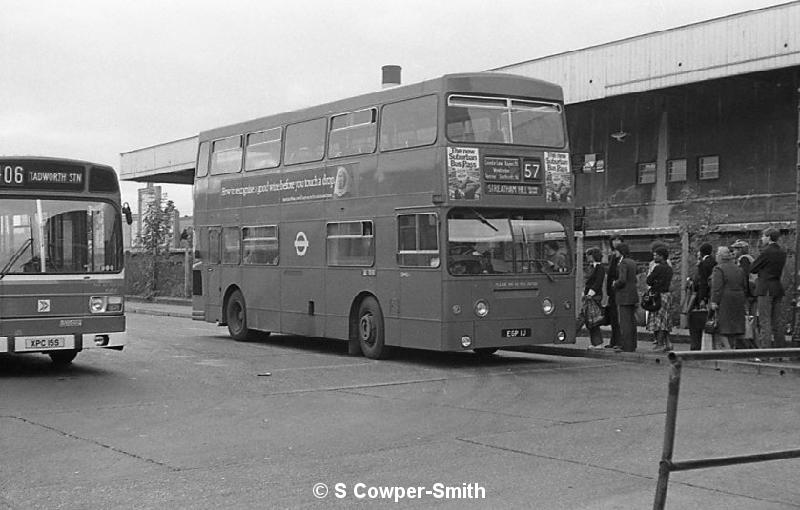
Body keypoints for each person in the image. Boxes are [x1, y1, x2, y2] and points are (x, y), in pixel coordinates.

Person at [750, 227, 787, 348]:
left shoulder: (766, 252)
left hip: (765, 288)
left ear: (769, 237)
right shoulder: (782, 252)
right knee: (777, 321)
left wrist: (761, 269)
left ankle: (764, 351)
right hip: (777, 286)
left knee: (765, 320)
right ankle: (780, 350)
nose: (762, 238)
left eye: (764, 236)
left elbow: (753, 268)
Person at [709, 246, 746, 350]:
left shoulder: (719, 269)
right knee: (735, 325)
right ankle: (733, 347)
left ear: (720, 257)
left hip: (725, 298)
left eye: (716, 254)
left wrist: (714, 301)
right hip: (739, 297)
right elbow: (744, 284)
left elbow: (717, 287)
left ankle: (728, 349)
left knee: (722, 325)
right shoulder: (739, 269)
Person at [687, 242, 716, 350]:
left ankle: (696, 346)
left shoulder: (703, 264)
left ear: (701, 252)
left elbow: (702, 282)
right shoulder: (714, 262)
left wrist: (701, 299)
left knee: (695, 319)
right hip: (711, 294)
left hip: (702, 295)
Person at [646, 245, 674, 352]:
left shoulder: (658, 268)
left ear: (661, 256)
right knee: (665, 319)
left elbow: (648, 280)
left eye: (656, 255)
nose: (654, 257)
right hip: (667, 295)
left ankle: (660, 343)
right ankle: (667, 343)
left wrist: (654, 281)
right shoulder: (669, 268)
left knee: (658, 320)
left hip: (657, 295)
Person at [612, 242, 638, 352]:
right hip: (633, 294)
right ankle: (632, 344)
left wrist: (615, 283)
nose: (614, 253)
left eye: (616, 250)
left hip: (624, 295)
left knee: (624, 322)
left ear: (620, 251)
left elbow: (622, 280)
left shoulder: (622, 263)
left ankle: (626, 345)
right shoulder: (632, 262)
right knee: (632, 321)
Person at [583, 247, 606, 349]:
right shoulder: (591, 267)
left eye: (589, 255)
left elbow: (598, 282)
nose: (587, 258)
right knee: (590, 320)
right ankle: (595, 342)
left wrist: (590, 293)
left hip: (594, 296)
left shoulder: (599, 268)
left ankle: (598, 342)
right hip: (590, 295)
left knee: (594, 320)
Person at [604, 235, 623, 349]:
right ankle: (613, 340)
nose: (615, 242)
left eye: (618, 240)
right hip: (611, 290)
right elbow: (610, 272)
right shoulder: (612, 256)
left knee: (618, 317)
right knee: (613, 317)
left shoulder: (621, 259)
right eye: (613, 240)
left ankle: (618, 341)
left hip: (617, 289)